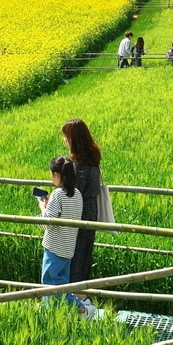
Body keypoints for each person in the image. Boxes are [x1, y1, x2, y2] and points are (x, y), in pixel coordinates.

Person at [37, 156, 98, 316]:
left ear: (57, 175)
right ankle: (55, 312)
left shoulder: (57, 194)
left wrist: (42, 207)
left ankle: (82, 308)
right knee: (62, 282)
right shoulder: (77, 194)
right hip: (68, 247)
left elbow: (46, 223)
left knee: (51, 283)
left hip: (54, 247)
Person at [62, 119, 103, 283]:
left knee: (75, 253)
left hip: (78, 211)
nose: (65, 140)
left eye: (67, 137)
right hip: (90, 210)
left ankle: (72, 292)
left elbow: (73, 192)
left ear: (74, 139)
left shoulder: (78, 164)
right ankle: (81, 291)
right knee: (85, 252)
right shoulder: (93, 158)